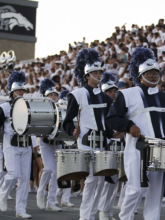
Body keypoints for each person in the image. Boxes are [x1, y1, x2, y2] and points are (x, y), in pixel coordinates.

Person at [106, 47, 165, 220]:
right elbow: (112, 119)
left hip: (160, 150)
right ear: (140, 74)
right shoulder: (127, 94)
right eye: (149, 72)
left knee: (156, 192)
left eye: (156, 72)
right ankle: (125, 217)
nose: (153, 75)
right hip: (136, 149)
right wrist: (129, 126)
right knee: (135, 188)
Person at [62, 49, 121, 220]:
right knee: (90, 181)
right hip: (86, 143)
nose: (98, 75)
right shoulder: (77, 94)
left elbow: (107, 124)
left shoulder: (107, 98)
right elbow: (67, 121)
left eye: (100, 72)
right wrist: (71, 130)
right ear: (87, 75)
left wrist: (115, 133)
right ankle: (84, 216)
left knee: (101, 181)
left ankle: (92, 214)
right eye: (95, 72)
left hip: (102, 143)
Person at [0, 71, 38, 219]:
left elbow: (34, 125)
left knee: (24, 178)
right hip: (11, 145)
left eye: (23, 90)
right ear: (12, 91)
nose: (22, 92)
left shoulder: (29, 106)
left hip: (26, 145)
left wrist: (35, 144)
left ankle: (20, 209)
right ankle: (3, 195)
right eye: (19, 90)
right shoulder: (4, 107)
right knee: (13, 174)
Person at [35, 78, 62, 212]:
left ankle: (51, 201)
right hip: (46, 143)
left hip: (58, 144)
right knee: (48, 169)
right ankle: (40, 195)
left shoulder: (61, 108)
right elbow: (36, 127)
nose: (53, 97)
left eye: (55, 95)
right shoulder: (42, 109)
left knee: (56, 173)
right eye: (50, 95)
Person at [98, 72, 121, 220]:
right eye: (109, 92)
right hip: (107, 145)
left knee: (115, 180)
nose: (113, 94)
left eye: (114, 91)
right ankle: (102, 210)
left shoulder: (120, 107)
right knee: (107, 180)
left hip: (119, 145)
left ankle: (109, 210)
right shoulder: (102, 108)